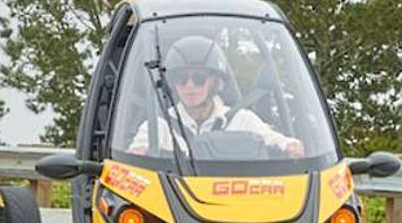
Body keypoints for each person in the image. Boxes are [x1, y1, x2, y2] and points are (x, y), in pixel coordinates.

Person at [127, 36, 304, 159]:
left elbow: (274, 140)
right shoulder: (159, 125)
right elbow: (136, 155)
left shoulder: (242, 120)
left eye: (198, 79)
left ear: (214, 82)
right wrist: (138, 154)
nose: (189, 86)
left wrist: (291, 146)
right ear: (173, 83)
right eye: (181, 78)